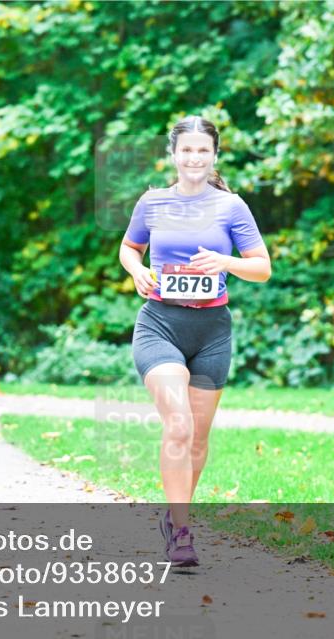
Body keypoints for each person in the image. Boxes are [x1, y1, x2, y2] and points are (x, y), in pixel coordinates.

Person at [119, 116, 271, 566]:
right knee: (179, 426)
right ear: (174, 154)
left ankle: (174, 516)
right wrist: (136, 271)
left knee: (198, 440)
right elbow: (130, 248)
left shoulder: (232, 207)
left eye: (203, 150)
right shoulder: (152, 202)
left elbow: (262, 268)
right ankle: (183, 534)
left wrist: (224, 261)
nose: (194, 158)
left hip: (211, 332)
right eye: (186, 150)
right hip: (160, 325)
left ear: (214, 155)